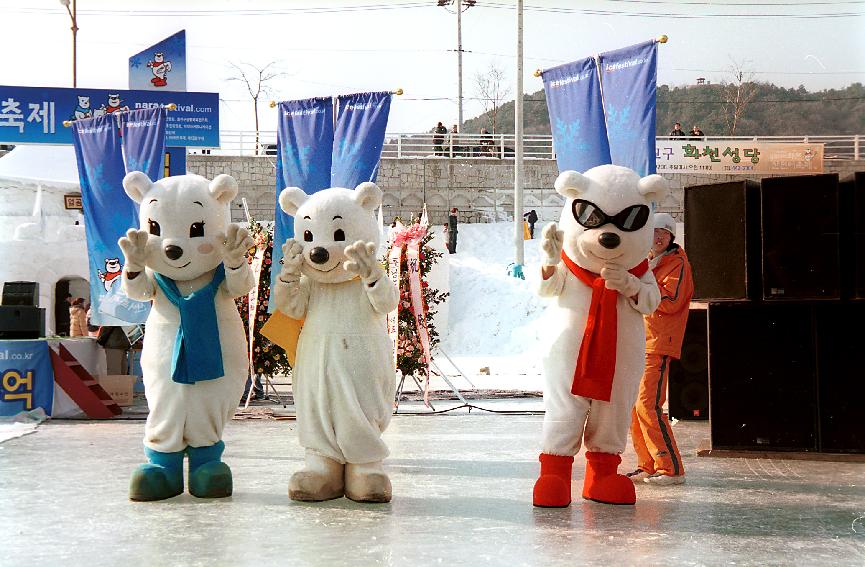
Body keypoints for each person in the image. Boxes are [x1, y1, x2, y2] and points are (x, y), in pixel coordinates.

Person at [628, 212, 693, 486]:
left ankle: (670, 467)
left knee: (648, 404)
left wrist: (636, 291)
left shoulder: (677, 264)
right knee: (634, 407)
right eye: (653, 232)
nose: (657, 237)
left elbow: (669, 301)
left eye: (662, 233)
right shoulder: (647, 262)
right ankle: (648, 463)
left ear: (670, 237)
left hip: (658, 342)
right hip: (641, 341)